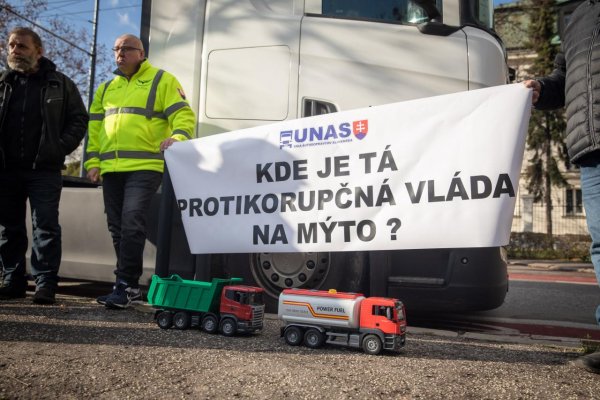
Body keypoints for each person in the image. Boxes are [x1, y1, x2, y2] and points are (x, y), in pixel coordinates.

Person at [85, 34, 195, 309]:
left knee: (132, 221)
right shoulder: (106, 88)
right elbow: (95, 128)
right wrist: (92, 162)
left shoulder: (162, 80)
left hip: (145, 166)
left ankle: (124, 285)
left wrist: (179, 137)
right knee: (117, 227)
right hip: (111, 169)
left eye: (127, 49)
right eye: (116, 48)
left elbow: (183, 114)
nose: (120, 53)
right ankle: (127, 286)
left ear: (142, 53)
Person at [523, 0, 600, 374]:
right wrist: (540, 89)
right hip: (591, 147)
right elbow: (565, 82)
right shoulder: (575, 19)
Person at [0, 27, 88, 305]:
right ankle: (12, 280)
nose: (15, 50)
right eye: (11, 46)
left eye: (22, 46)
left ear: (39, 51)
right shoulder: (2, 83)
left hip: (45, 170)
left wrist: (59, 148)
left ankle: (45, 283)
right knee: (9, 227)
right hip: (6, 169)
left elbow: (78, 120)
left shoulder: (60, 83)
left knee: (46, 226)